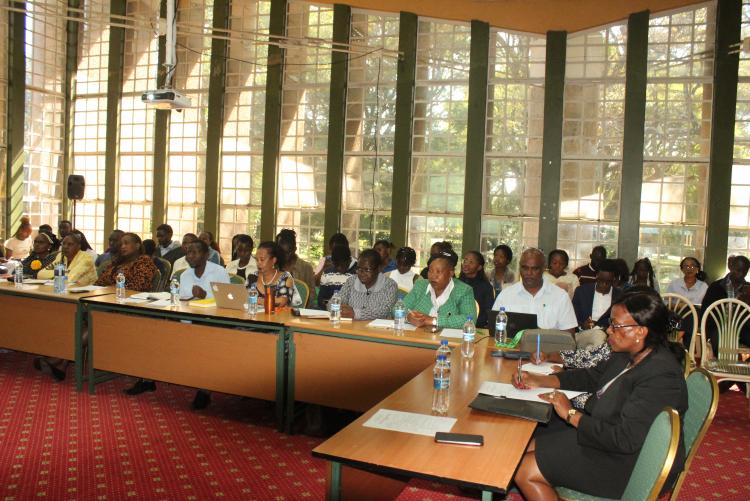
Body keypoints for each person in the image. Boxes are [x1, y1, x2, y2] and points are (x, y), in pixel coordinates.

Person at [513, 293, 688, 500]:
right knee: (521, 447)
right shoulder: (627, 354)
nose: (608, 330)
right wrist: (540, 380)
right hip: (604, 435)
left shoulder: (661, 376)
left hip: (634, 463)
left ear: (640, 331)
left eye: (616, 326)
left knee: (525, 470)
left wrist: (571, 414)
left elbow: (625, 439)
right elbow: (591, 376)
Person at [492, 248, 578, 332]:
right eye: (525, 268)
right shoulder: (506, 295)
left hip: (548, 346)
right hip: (511, 346)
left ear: (543, 268)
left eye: (534, 268)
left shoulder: (560, 297)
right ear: (519, 268)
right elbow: (494, 331)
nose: (529, 273)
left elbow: (569, 338)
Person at [404, 250, 476, 329]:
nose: (433, 276)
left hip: (448, 339)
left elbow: (470, 320)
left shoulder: (464, 290)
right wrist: (408, 317)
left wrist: (434, 321)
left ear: (451, 273)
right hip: (417, 336)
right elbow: (399, 308)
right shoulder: (420, 285)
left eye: (438, 272)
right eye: (430, 271)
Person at [701, 254, 750, 355]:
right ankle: (727, 365)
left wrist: (746, 300)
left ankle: (742, 366)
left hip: (743, 328)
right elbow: (706, 312)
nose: (741, 274)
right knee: (722, 344)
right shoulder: (716, 287)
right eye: (738, 270)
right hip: (719, 327)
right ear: (731, 267)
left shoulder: (748, 289)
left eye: (744, 272)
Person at [338, 249, 398, 320]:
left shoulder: (390, 285)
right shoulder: (351, 281)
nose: (361, 273)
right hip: (351, 328)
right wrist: (338, 308)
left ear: (378, 269)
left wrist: (354, 313)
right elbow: (335, 301)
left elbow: (384, 311)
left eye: (367, 270)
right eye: (359, 268)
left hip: (377, 330)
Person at [572, 259, 623, 330]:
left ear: (614, 279)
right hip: (585, 333)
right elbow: (572, 317)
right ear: (596, 276)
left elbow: (622, 321)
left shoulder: (620, 296)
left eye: (608, 282)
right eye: (601, 280)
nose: (604, 285)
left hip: (609, 334)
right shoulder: (581, 292)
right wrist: (582, 326)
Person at [247, 241, 295, 308]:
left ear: (273, 260)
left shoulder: (285, 278)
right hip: (254, 317)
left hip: (278, 317)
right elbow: (243, 298)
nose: (258, 263)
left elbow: (281, 302)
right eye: (256, 260)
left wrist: (256, 300)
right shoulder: (252, 277)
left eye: (262, 259)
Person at [276, 229, 316, 307]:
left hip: (300, 311)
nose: (284, 256)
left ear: (295, 249)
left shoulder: (306, 268)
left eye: (288, 252)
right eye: (282, 253)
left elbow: (312, 295)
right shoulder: (274, 266)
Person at [458, 251, 495, 328]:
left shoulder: (486, 287)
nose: (466, 264)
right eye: (465, 261)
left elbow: (488, 312)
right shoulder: (455, 283)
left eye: (471, 262)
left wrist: (473, 325)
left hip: (477, 327)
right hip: (455, 325)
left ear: (479, 267)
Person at [317, 245, 358, 309]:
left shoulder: (358, 272)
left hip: (351, 313)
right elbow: (321, 300)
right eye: (336, 265)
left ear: (349, 260)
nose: (339, 268)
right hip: (330, 311)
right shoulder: (327, 273)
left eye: (342, 265)